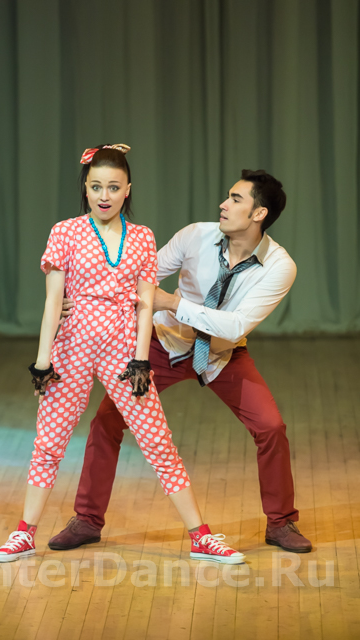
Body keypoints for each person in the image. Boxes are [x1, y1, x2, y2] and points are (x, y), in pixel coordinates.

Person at [0, 144, 245, 564]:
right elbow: (53, 301)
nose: (104, 195)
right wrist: (42, 360)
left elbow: (146, 303)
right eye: (95, 187)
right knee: (49, 443)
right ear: (85, 189)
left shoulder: (142, 237)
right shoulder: (64, 232)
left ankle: (201, 536)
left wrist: (141, 359)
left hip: (123, 350)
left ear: (128, 189)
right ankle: (24, 534)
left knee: (158, 442)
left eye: (113, 186)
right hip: (71, 347)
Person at [49, 169, 313, 555]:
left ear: (259, 214)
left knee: (271, 427)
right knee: (106, 421)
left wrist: (173, 302)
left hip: (223, 354)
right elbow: (134, 277)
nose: (223, 204)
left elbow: (236, 324)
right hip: (164, 345)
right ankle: (87, 519)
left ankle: (281, 522)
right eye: (227, 196)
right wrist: (71, 297)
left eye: (235, 199)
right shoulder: (196, 236)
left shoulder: (279, 266)